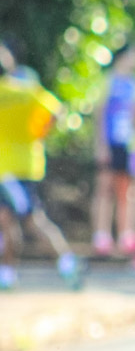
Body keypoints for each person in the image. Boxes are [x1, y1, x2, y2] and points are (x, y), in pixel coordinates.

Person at [0, 41, 82, 290]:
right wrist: (39, 132)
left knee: (29, 219)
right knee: (8, 221)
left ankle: (67, 264)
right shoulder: (28, 90)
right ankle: (7, 275)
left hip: (6, 171)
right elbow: (57, 111)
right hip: (31, 165)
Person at [92, 43, 135, 256]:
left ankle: (126, 235)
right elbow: (99, 115)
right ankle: (101, 235)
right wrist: (101, 145)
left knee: (128, 190)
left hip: (132, 146)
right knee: (105, 187)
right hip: (111, 142)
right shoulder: (107, 81)